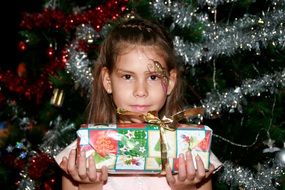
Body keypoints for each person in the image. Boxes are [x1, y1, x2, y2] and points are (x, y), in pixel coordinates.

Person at [59, 17, 221, 190]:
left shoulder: (193, 151)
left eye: (153, 77)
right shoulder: (78, 158)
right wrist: (89, 186)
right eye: (127, 77)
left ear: (170, 82)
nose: (141, 91)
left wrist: (186, 188)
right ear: (108, 81)